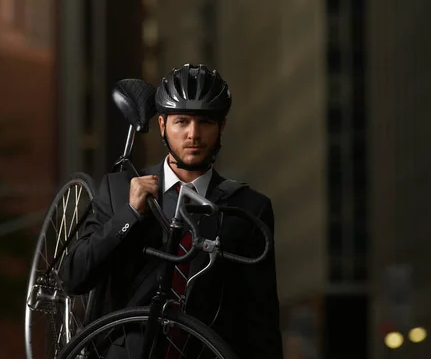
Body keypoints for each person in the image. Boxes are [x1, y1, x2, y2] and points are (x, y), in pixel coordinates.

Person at [59, 64, 283, 359]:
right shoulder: (118, 188)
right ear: (163, 125)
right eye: (182, 122)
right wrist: (129, 213)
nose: (193, 134)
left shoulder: (248, 207)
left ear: (221, 127)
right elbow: (74, 277)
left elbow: (261, 319)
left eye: (205, 122)